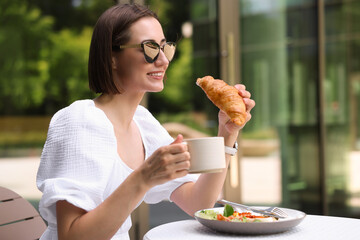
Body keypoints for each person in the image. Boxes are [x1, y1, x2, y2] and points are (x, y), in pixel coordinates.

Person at [36, 3, 255, 240]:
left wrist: (227, 132)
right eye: (149, 48)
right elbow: (71, 236)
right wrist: (143, 178)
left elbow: (198, 203)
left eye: (165, 48)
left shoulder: (142, 122)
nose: (163, 60)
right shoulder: (79, 121)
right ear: (112, 58)